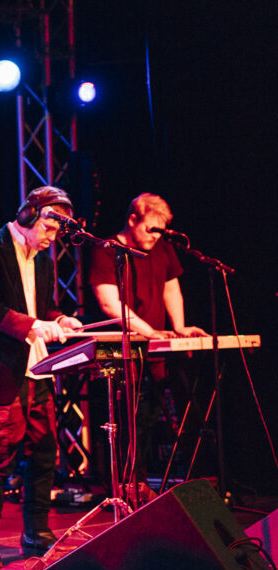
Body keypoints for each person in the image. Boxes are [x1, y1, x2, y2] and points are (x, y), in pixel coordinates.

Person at [0, 186, 82, 569]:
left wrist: (60, 319)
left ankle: (35, 531)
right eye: (48, 227)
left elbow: (43, 306)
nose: (51, 237)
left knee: (44, 451)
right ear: (28, 215)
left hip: (35, 369)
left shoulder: (42, 259)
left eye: (57, 232)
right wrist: (34, 325)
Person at [87, 193, 206, 505]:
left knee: (153, 417)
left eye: (160, 230)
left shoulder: (163, 247)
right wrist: (150, 332)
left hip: (153, 348)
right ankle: (129, 485)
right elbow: (110, 303)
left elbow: (171, 288)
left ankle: (155, 485)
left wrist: (178, 327)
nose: (155, 237)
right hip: (122, 351)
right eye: (150, 229)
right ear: (132, 220)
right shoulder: (107, 250)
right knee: (131, 419)